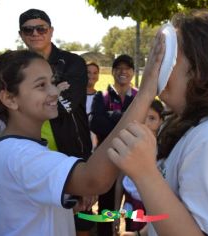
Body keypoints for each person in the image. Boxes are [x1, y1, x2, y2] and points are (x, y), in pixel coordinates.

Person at [106, 10, 208, 236]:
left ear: (200, 71)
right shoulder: (195, 130)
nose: (157, 68)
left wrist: (145, 173)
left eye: (168, 57)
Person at [0, 50, 156, 236]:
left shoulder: (14, 148)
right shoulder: (22, 155)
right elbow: (94, 181)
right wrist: (145, 94)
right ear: (9, 98)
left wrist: (66, 208)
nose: (55, 91)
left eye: (52, 82)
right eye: (41, 85)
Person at [18, 9, 93, 234]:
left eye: (41, 28)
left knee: (79, 220)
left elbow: (61, 106)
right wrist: (53, 92)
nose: (35, 33)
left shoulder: (72, 63)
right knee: (43, 222)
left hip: (71, 153)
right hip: (33, 155)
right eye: (28, 29)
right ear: (21, 34)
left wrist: (30, 98)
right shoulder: (18, 66)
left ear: (51, 31)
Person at [90, 54, 137, 236]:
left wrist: (112, 117)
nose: (123, 72)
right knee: (107, 211)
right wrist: (126, 119)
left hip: (134, 162)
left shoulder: (139, 96)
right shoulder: (101, 97)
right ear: (112, 72)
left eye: (127, 68)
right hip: (107, 162)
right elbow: (96, 123)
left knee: (134, 210)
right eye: (119, 68)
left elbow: (143, 124)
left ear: (132, 72)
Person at [114, 99, 164, 235]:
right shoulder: (128, 147)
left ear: (161, 121)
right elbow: (119, 182)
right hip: (131, 207)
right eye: (143, 117)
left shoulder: (164, 152)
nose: (146, 123)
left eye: (152, 118)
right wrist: (117, 215)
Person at [86, 61, 100, 150]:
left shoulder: (101, 97)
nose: (92, 75)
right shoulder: (75, 96)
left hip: (94, 148)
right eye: (88, 72)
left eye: (95, 73)